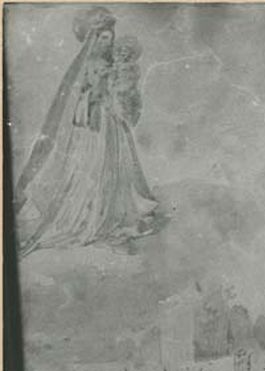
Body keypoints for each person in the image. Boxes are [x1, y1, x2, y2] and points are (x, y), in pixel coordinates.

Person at [14, 7, 160, 257]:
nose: (108, 43)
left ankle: (110, 210)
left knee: (113, 166)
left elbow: (123, 88)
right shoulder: (88, 63)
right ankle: (87, 212)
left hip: (110, 120)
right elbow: (80, 92)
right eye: (103, 38)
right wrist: (92, 101)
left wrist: (120, 98)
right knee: (91, 165)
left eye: (110, 38)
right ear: (94, 38)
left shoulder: (116, 62)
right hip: (93, 120)